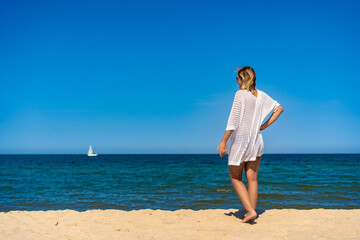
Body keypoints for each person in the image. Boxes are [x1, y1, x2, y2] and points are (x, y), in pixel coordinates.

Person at [217, 66, 284, 223]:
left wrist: (224, 140)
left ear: (242, 79)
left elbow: (233, 120)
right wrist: (263, 126)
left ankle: (250, 211)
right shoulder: (261, 95)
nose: (236, 81)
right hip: (256, 141)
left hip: (241, 142)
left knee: (235, 178)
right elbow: (279, 109)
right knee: (252, 179)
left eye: (237, 78)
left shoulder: (240, 94)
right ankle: (251, 213)